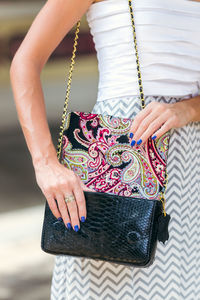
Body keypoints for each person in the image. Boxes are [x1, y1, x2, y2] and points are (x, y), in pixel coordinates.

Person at [10, 0, 200, 299]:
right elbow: (25, 61)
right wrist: (45, 163)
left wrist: (187, 109)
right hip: (121, 154)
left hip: (192, 159)